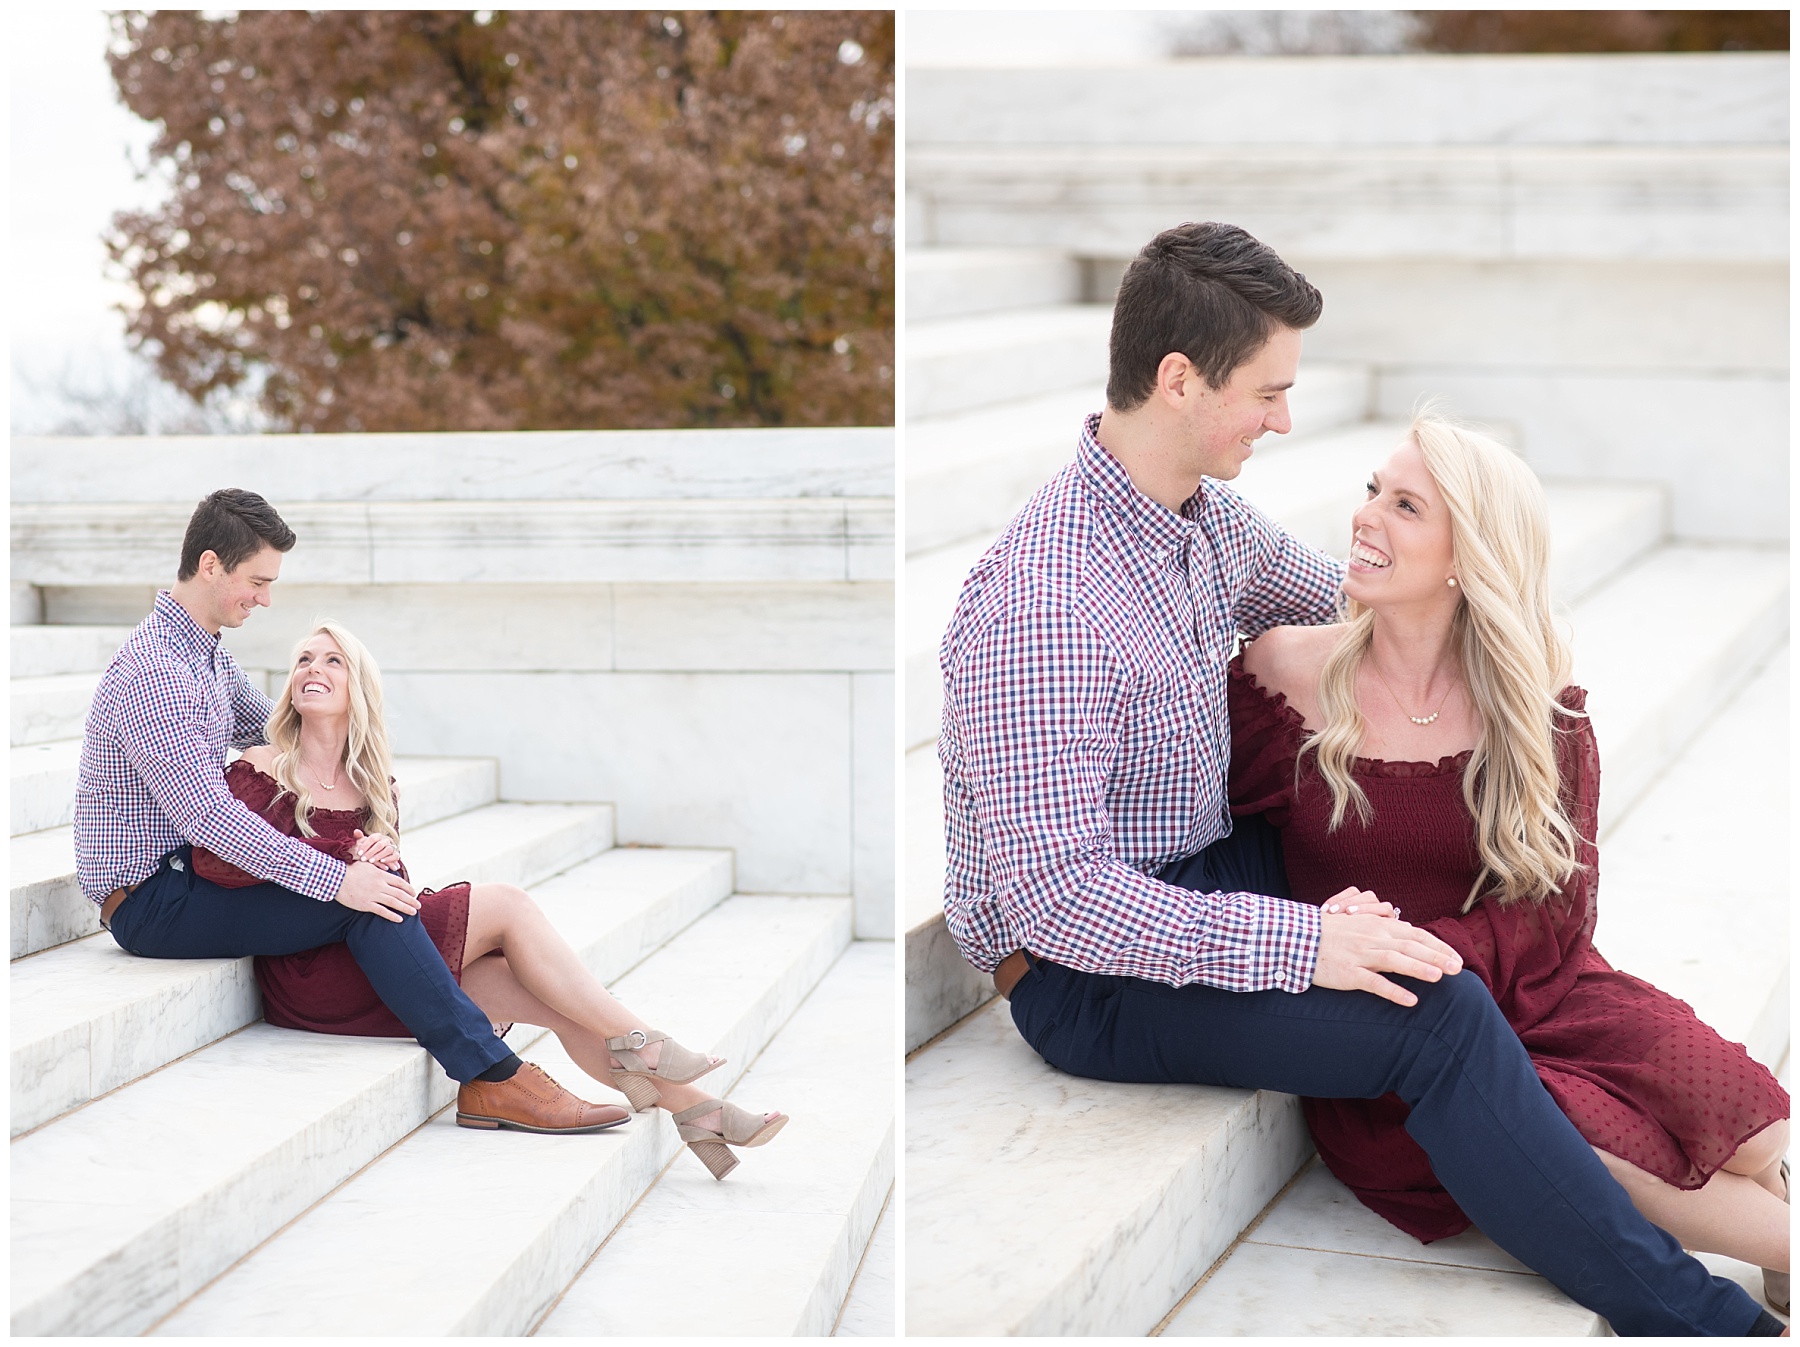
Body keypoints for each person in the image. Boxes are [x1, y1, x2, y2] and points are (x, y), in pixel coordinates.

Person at [937, 221, 1786, 1335]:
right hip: (1080, 973)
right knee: (1432, 1014)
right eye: (1268, 392)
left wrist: (1495, 658)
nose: (1286, 420)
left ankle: (1718, 1167)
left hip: (1202, 871)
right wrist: (1302, 943)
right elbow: (1059, 900)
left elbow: (1362, 604)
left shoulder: (1201, 525)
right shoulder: (1048, 601)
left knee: (1430, 896)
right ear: (1180, 380)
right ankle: (1695, 1318)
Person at [1228, 411, 1788, 1303]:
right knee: (1578, 1129)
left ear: (1465, 556)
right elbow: (1188, 824)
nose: (1367, 515)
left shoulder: (1534, 702)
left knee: (1759, 1132)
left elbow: (1562, 901)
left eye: (1405, 505)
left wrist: (1461, 954)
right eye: (1374, 489)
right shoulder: (1281, 676)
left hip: (1541, 978)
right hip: (1407, 1023)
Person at [79, 489, 624, 1137]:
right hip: (154, 899)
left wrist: (361, 817)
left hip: (190, 877)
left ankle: (498, 1075)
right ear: (210, 565)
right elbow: (211, 820)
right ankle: (493, 1078)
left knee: (373, 892)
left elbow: (281, 729)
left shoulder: (206, 654)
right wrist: (341, 877)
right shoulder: (156, 671)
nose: (266, 598)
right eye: (257, 580)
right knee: (361, 899)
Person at [189, 619, 786, 1178]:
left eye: (333, 660)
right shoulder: (262, 766)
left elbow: (391, 896)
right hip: (312, 969)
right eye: (302, 660)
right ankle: (648, 1044)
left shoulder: (374, 785)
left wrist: (381, 858)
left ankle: (699, 1112)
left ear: (358, 687)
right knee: (505, 903)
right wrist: (342, 862)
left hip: (380, 961)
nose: (312, 668)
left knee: (551, 1002)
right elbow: (221, 863)